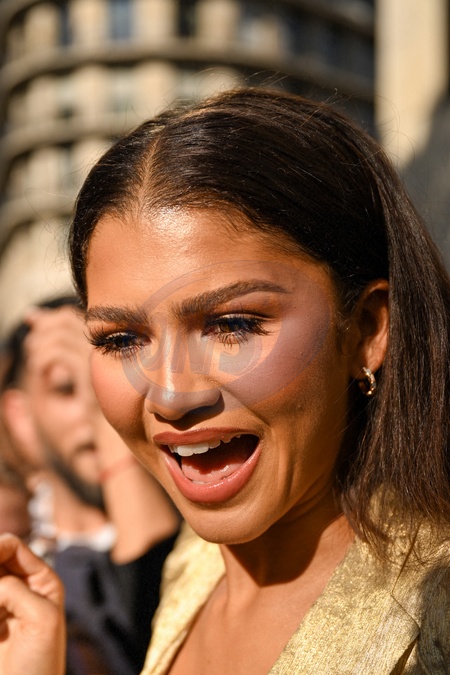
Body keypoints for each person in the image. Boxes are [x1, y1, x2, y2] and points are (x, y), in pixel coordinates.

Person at [0, 87, 449, 674]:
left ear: (365, 328)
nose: (170, 393)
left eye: (232, 325)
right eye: (122, 340)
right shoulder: (192, 564)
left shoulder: (436, 608)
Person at [1, 298, 179, 674]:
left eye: (113, 382)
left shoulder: (204, 529)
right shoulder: (15, 565)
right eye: (67, 387)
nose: (98, 407)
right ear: (20, 418)